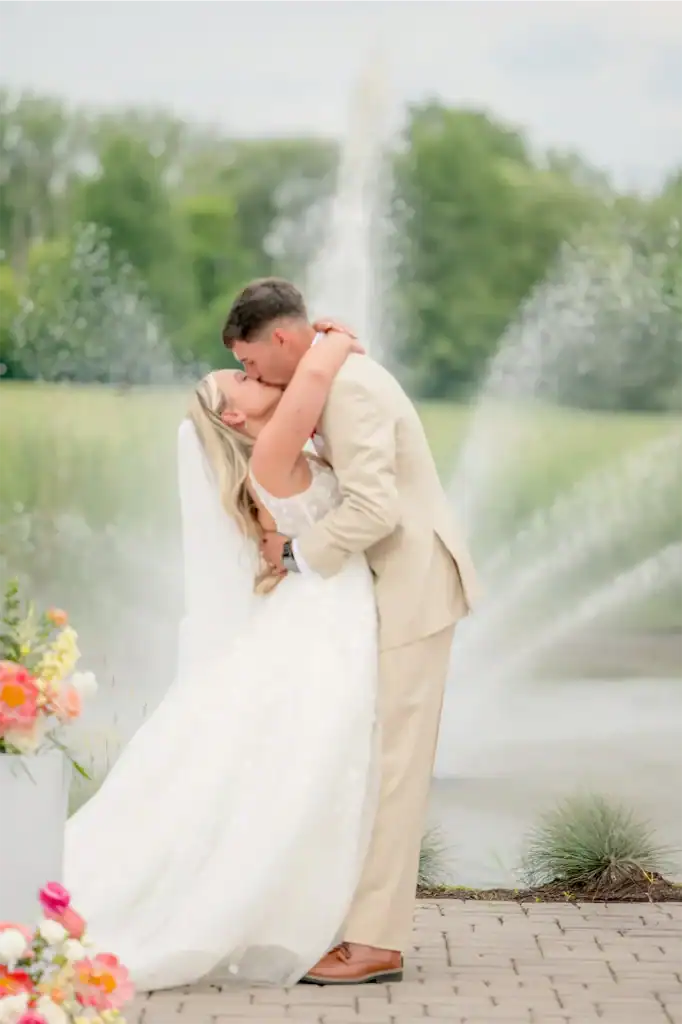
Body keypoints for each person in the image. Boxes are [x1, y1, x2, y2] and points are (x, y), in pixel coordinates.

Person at [65, 329, 382, 990]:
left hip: (323, 610)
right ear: (233, 417)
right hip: (328, 615)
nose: (252, 375)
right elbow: (316, 375)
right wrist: (330, 335)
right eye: (237, 378)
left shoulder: (277, 451)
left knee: (302, 765)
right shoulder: (273, 448)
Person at [222, 277, 478, 985]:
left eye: (249, 364)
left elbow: (375, 508)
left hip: (415, 586)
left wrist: (300, 556)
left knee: (396, 767)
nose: (252, 378)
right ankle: (353, 920)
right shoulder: (328, 372)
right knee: (373, 757)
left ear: (280, 338)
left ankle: (375, 943)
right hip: (389, 588)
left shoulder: (349, 387)